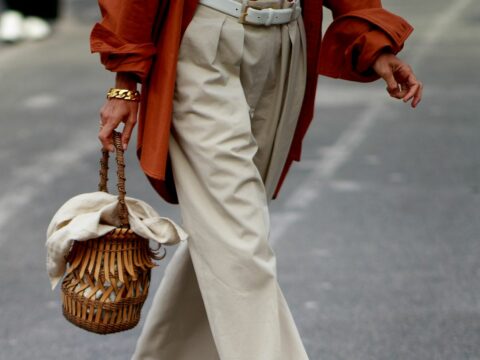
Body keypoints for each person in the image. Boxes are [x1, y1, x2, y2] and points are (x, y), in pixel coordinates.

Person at [92, 0, 423, 358]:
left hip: (285, 47)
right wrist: (125, 79)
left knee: (225, 228)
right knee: (236, 230)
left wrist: (374, 44)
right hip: (206, 43)